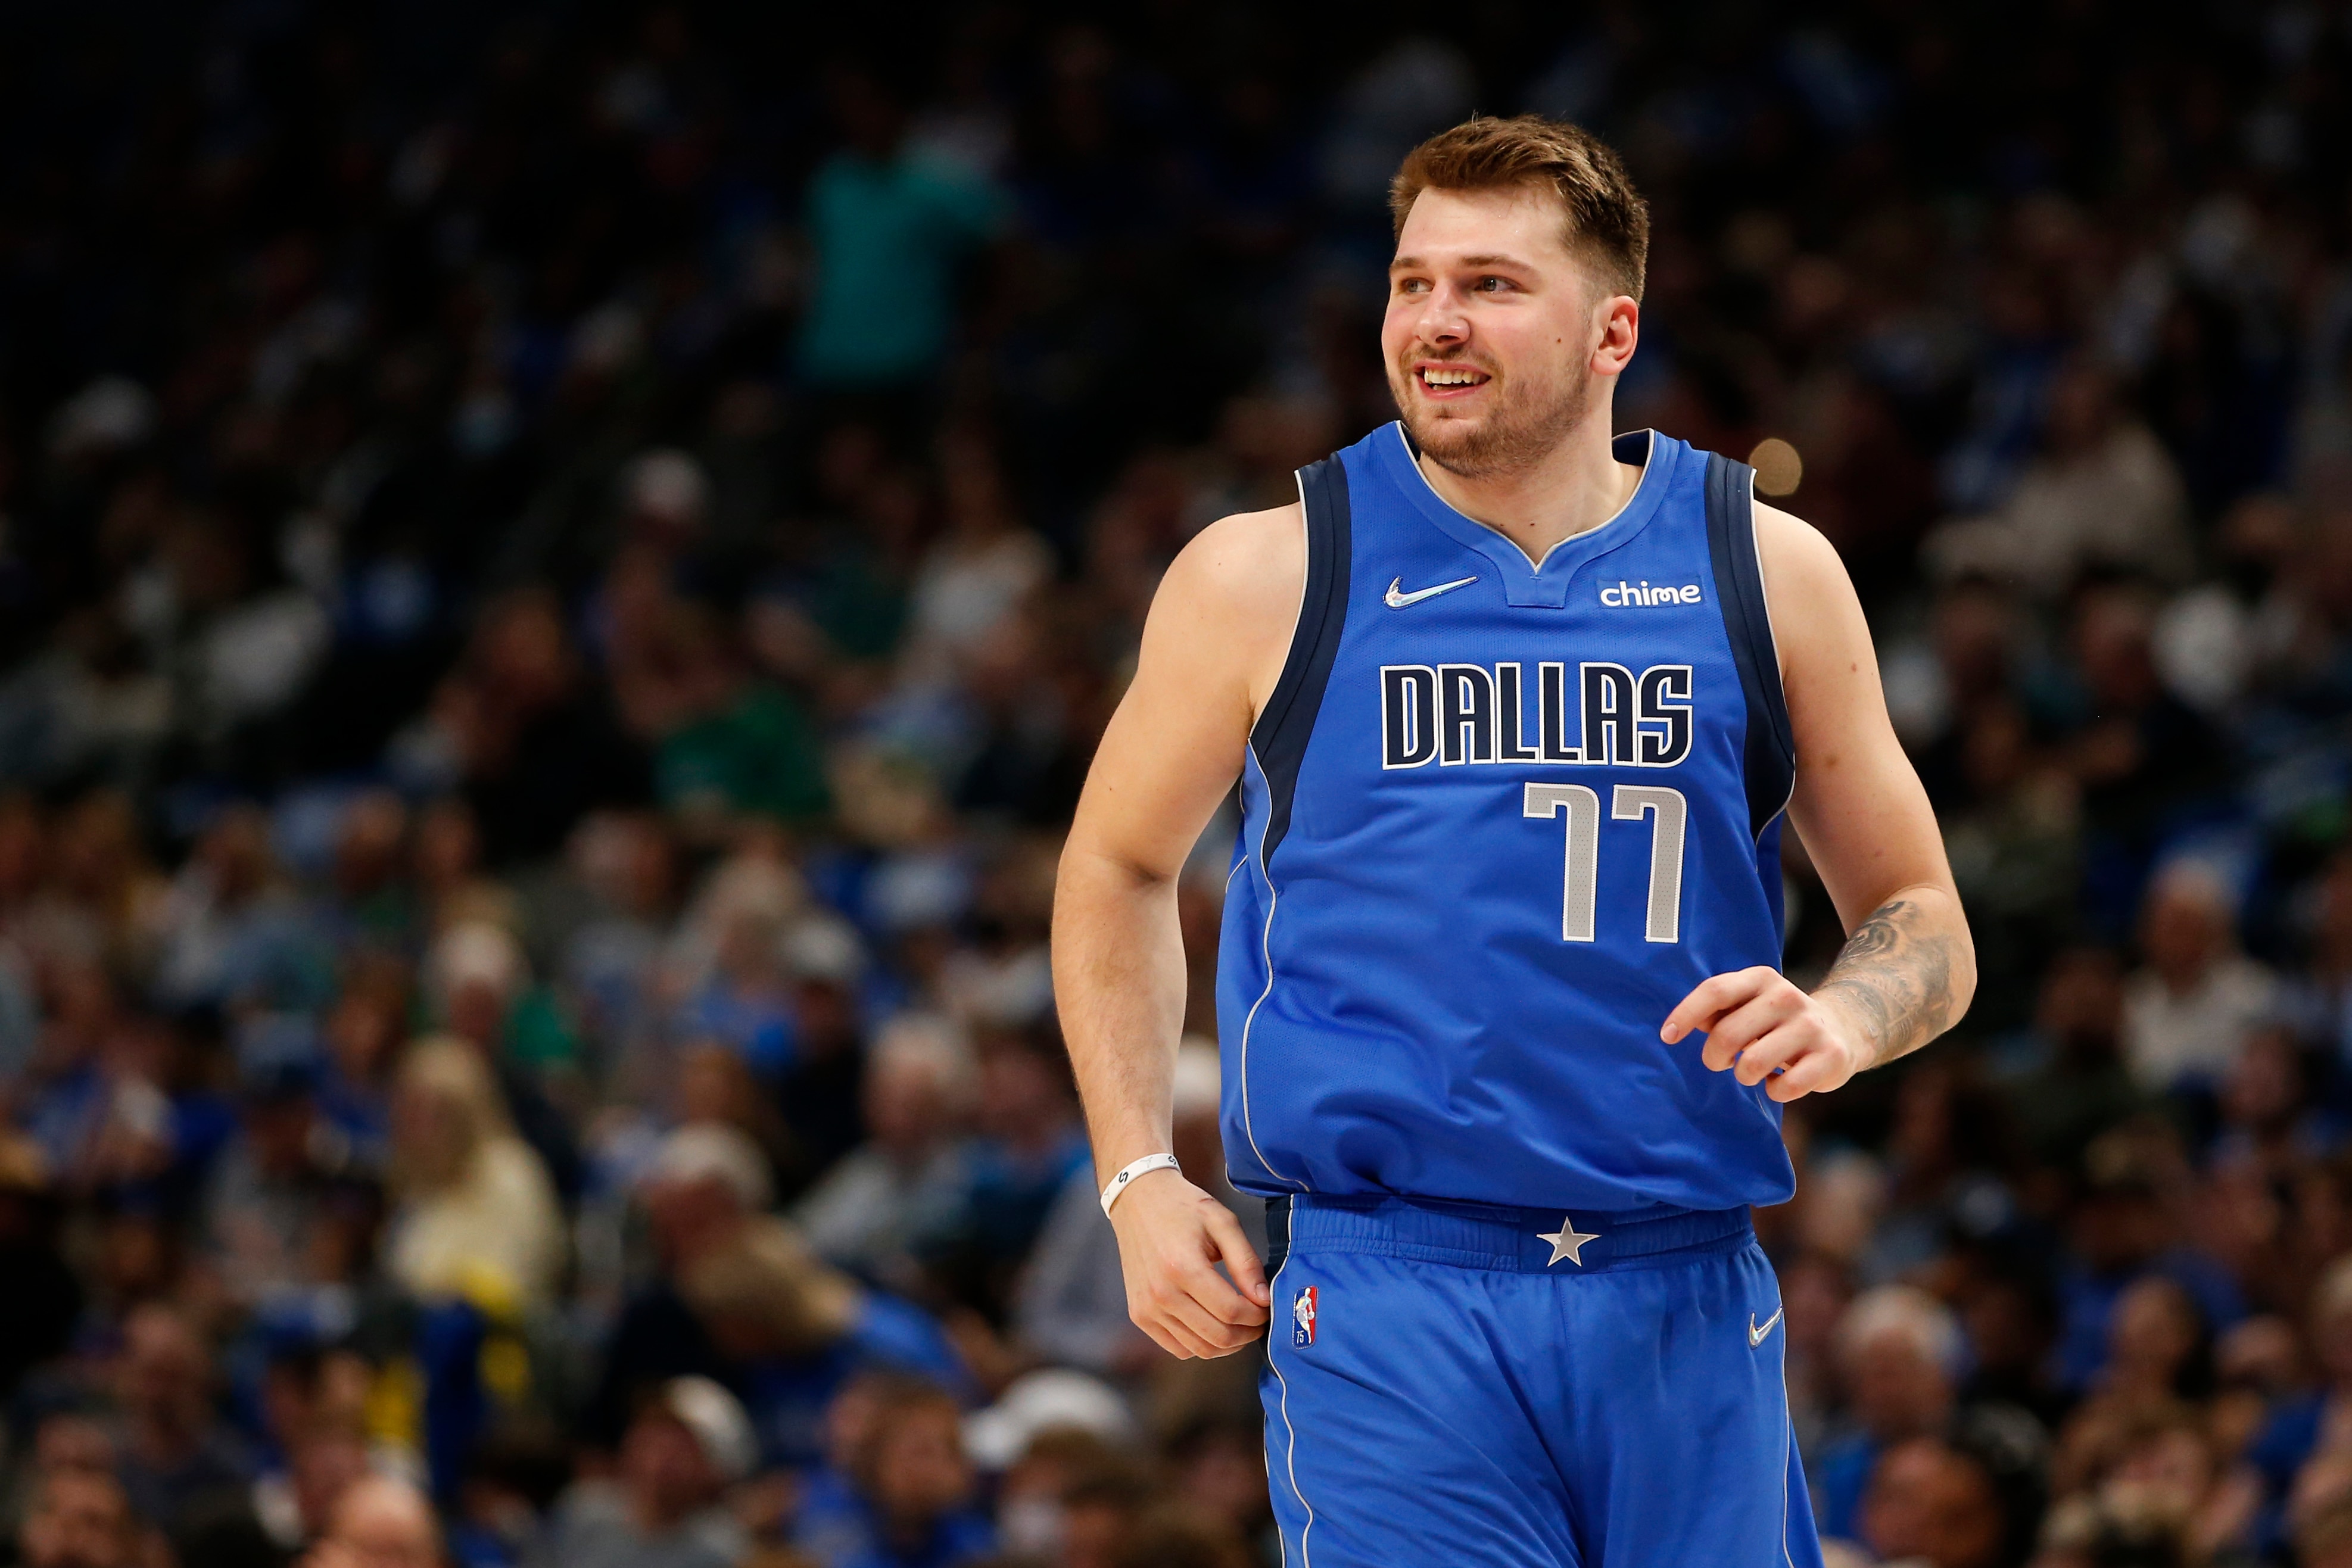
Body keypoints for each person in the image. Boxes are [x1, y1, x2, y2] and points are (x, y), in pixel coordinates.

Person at [1052, 114, 1976, 1566]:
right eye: (1412, 283)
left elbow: (1921, 909)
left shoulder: (1770, 569)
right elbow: (1112, 867)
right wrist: (1134, 1179)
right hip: (1391, 1288)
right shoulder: (1264, 568)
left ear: (1613, 327)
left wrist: (1847, 1017)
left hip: (1683, 1283)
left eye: (1489, 285)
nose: (1434, 323)